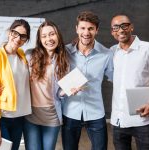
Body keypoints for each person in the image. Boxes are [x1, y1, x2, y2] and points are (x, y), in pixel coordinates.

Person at [110, 14, 149, 150]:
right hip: (119, 120)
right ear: (112, 32)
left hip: (143, 119)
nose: (120, 30)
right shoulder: (112, 52)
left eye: (124, 25)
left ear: (131, 27)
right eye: (116, 27)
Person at [61, 11, 114, 150]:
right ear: (76, 29)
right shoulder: (65, 52)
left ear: (96, 30)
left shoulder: (106, 54)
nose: (86, 32)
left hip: (95, 111)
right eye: (83, 28)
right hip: (70, 111)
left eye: (90, 28)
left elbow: (116, 78)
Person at [0, 19, 32, 150]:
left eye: (23, 36)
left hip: (19, 118)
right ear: (9, 33)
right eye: (15, 33)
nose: (18, 39)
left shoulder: (22, 55)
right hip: (0, 117)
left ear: (26, 40)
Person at [23, 20, 69, 150]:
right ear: (40, 39)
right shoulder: (29, 56)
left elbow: (60, 92)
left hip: (52, 115)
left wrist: (65, 92)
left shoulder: (64, 61)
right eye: (44, 36)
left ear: (58, 35)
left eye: (52, 34)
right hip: (31, 114)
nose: (48, 39)